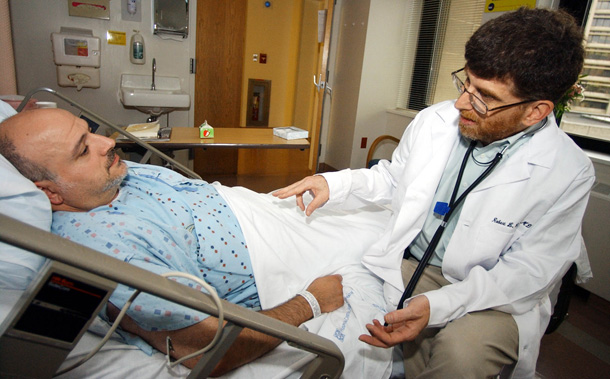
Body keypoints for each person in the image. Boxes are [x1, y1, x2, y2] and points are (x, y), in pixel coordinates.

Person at [273, 7, 595, 378]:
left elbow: (528, 272)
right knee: (349, 331)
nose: (460, 103)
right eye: (465, 83)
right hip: (414, 265)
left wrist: (440, 305)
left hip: (495, 292)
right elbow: (395, 179)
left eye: (483, 97)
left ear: (535, 112)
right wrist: (337, 183)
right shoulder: (436, 121)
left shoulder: (567, 171)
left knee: (460, 355)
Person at [0, 108, 393, 378]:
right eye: (83, 149)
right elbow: (203, 350)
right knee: (392, 242)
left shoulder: (106, 178)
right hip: (271, 253)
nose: (107, 142)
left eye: (88, 130)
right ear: (50, 193)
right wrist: (310, 302)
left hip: (261, 207)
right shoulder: (99, 249)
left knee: (385, 208)